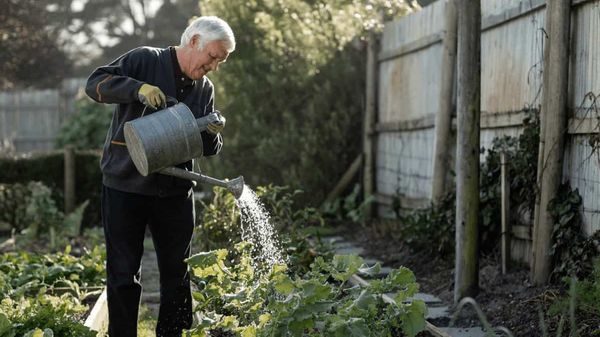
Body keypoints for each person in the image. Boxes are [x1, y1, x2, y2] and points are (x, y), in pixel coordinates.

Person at [85, 16, 235, 337]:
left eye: (220, 61)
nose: (214, 66)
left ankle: (172, 334)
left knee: (177, 273)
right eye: (213, 57)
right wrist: (137, 88)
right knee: (123, 274)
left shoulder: (204, 88)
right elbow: (95, 83)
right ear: (194, 41)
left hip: (175, 190)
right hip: (125, 184)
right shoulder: (144, 60)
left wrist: (212, 131)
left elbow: (208, 148)